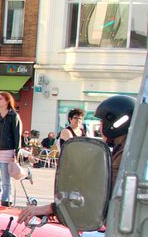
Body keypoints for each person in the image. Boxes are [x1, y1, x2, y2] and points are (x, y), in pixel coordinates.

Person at [20, 95, 136, 224]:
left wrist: (50, 208)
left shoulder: (124, 155)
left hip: (118, 229)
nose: (100, 128)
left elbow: (98, 194)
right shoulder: (127, 149)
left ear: (114, 123)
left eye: (102, 123)